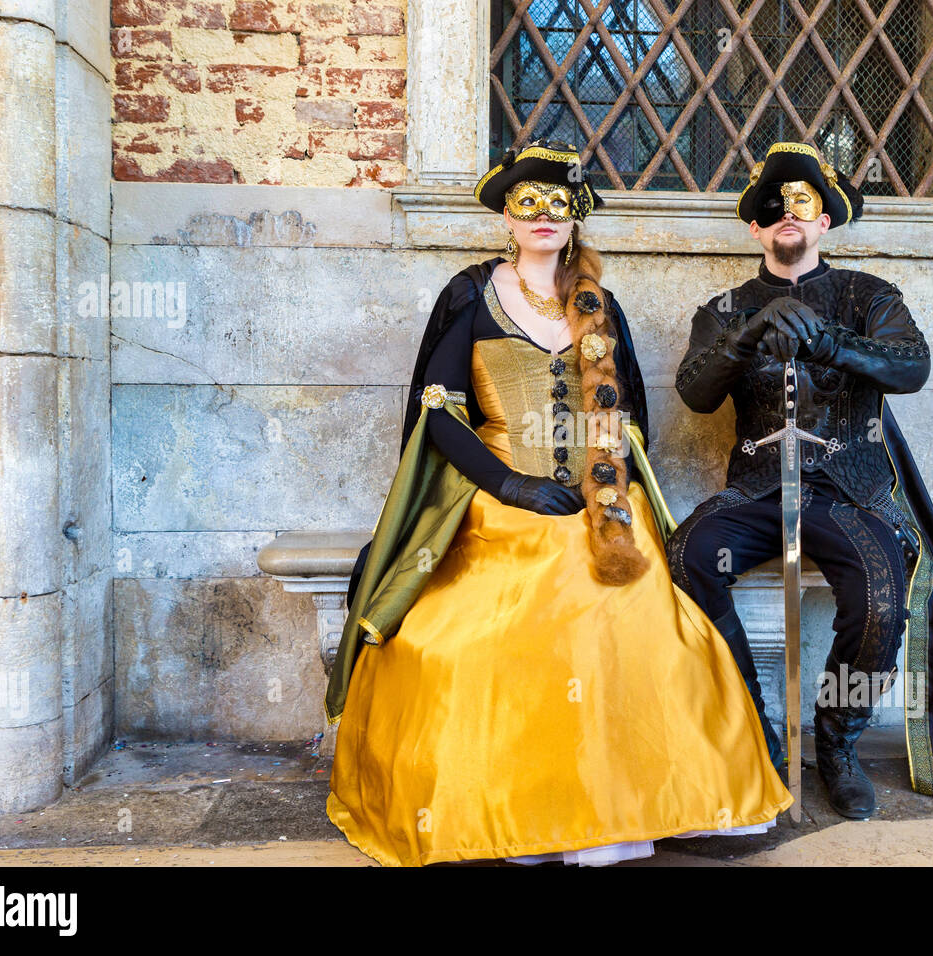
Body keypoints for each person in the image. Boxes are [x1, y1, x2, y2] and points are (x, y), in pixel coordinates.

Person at [325, 140, 793, 866]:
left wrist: (607, 490)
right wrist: (509, 484)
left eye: (558, 203)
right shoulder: (470, 293)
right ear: (506, 217)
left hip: (598, 503)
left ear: (576, 217)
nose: (543, 215)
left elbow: (631, 412)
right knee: (478, 638)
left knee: (639, 614)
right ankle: (521, 807)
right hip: (494, 499)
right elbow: (439, 414)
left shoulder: (601, 307)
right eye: (527, 202)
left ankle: (632, 801)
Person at [667, 142, 933, 820]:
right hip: (757, 490)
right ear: (754, 226)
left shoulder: (868, 295)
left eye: (803, 204)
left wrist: (827, 341)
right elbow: (694, 393)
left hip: (849, 490)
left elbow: (911, 366)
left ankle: (837, 746)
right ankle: (757, 733)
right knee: (686, 554)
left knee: (879, 594)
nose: (787, 215)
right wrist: (747, 334)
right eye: (772, 207)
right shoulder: (722, 307)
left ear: (826, 222)